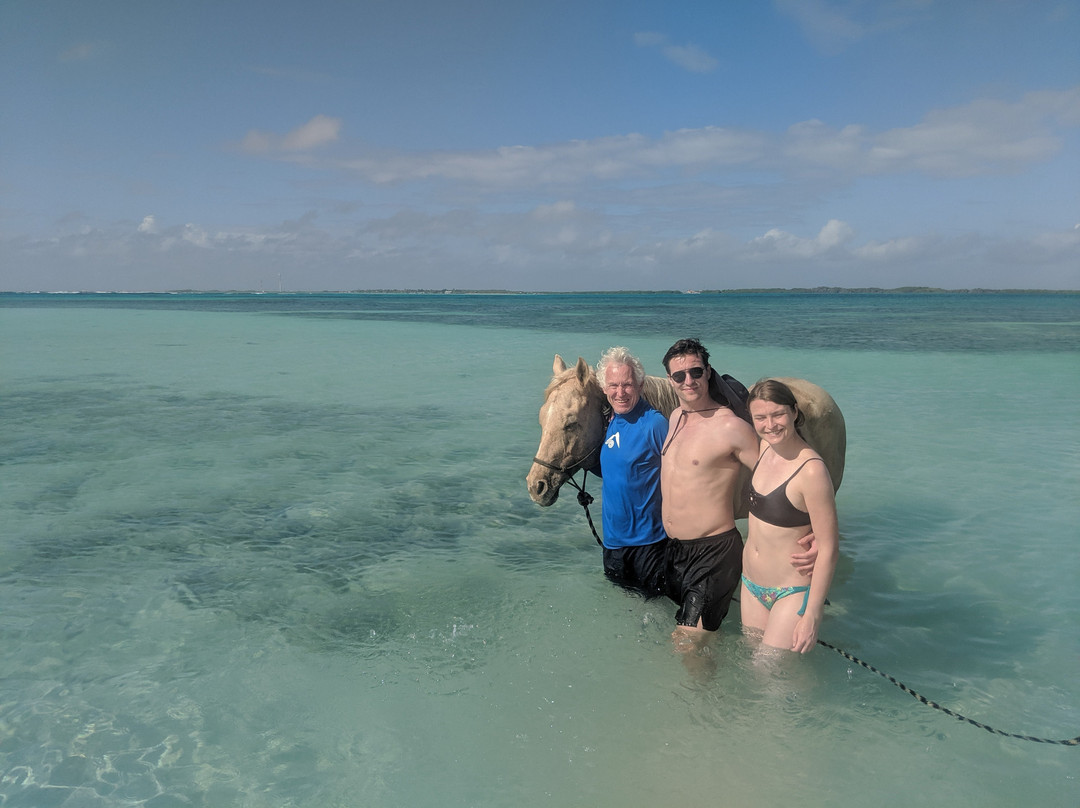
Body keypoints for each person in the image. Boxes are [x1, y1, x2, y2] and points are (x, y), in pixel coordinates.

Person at [659, 338, 762, 641]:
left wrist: (803, 533)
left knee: (687, 643)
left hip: (714, 553)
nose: (688, 381)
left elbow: (776, 478)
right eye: (680, 375)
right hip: (676, 552)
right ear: (670, 380)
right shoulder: (676, 418)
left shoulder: (730, 427)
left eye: (696, 372)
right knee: (701, 647)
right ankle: (713, 690)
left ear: (708, 372)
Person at [740, 379, 838, 653]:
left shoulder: (811, 471)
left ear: (794, 412)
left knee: (772, 677)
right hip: (751, 585)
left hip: (791, 592)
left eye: (778, 414)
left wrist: (812, 615)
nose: (770, 425)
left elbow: (829, 548)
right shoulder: (763, 449)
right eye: (760, 418)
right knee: (753, 668)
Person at [594, 346, 670, 596]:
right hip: (613, 543)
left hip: (649, 545)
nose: (620, 392)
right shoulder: (611, 419)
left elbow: (680, 479)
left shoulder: (655, 424)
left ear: (640, 385)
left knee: (655, 612)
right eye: (613, 385)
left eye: (627, 384)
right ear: (604, 389)